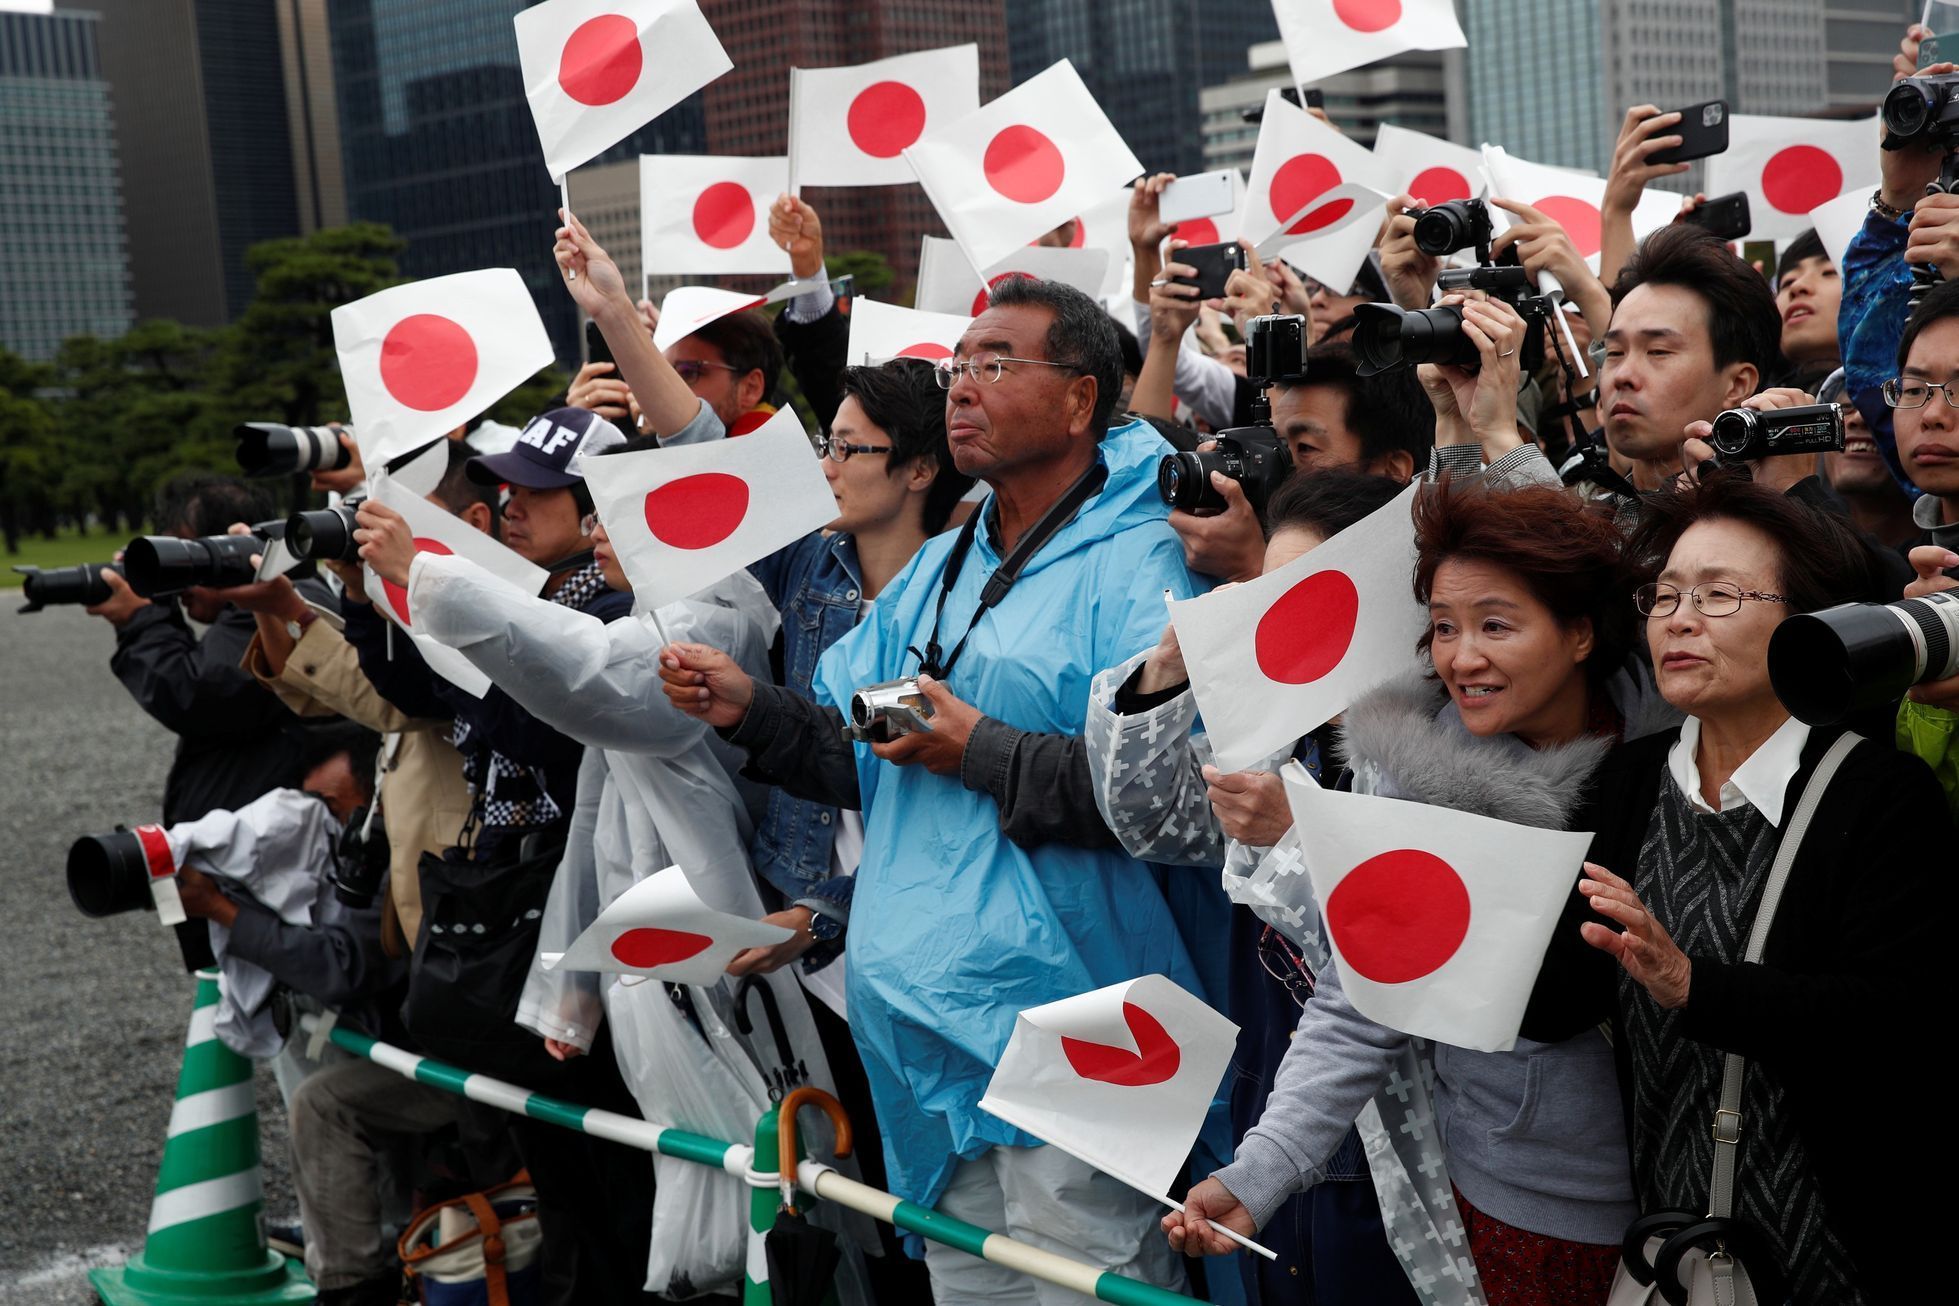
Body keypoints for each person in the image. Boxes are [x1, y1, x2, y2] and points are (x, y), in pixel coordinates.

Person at [659, 274, 1200, 1303]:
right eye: (958, 367)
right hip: (926, 1023)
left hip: (1087, 1008)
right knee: (969, 1283)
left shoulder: (1149, 555)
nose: (961, 387)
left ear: (1082, 401)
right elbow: (875, 738)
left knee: (1098, 1279)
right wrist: (751, 710)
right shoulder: (948, 562)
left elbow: (1168, 795)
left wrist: (981, 749)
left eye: (996, 363)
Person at [1165, 482, 1681, 1306]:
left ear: (1580, 633)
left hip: (1706, 1174)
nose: (1461, 657)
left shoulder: (1686, 741)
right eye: (1443, 626)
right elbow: (1361, 995)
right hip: (1537, 1195)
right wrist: (1258, 1173)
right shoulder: (1420, 787)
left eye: (1496, 625)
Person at [1578, 471, 1948, 1305]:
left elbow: (1896, 1020)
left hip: (1835, 1248)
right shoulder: (1629, 781)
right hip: (1668, 1247)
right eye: (1665, 594)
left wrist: (1691, 985)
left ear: (1803, 623)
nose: (1676, 618)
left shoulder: (1878, 795)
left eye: (1717, 596)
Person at [1084, 469, 1417, 1305]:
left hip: (1390, 1131)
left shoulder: (1432, 749)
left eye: (1308, 591)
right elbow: (1147, 820)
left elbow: (1404, 947)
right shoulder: (1278, 737)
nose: (1283, 616)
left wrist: (1295, 839)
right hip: (1274, 1115)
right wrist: (1169, 666)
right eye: (1268, 593)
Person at [174, 720, 459, 1306]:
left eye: (332, 802)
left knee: (324, 1103)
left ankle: (353, 1285)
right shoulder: (359, 831)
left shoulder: (398, 844)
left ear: (380, 783)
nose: (325, 817)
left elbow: (343, 968)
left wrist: (223, 911)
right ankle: (389, 1246)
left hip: (465, 1055)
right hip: (438, 1040)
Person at [740, 359, 973, 986]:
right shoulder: (810, 564)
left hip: (914, 931)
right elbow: (699, 445)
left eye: (847, 448)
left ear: (921, 469)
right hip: (799, 901)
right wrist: (613, 310)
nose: (825, 467)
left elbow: (864, 758)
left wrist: (827, 914)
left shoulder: (964, 616)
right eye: (826, 444)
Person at [229, 440, 491, 951]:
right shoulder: (415, 595)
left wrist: (300, 611)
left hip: (472, 893)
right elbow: (371, 691)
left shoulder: (486, 608)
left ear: (478, 521)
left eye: (405, 518)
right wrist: (290, 604)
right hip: (425, 877)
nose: (382, 533)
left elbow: (397, 703)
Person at [85, 473, 338, 827]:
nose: (172, 572)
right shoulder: (275, 593)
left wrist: (144, 618)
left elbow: (199, 693)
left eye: (183, 551)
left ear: (226, 547)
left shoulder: (282, 602)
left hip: (267, 851)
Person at [1775, 229, 1841, 374]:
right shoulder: (1736, 394)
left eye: (1829, 272)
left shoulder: (1893, 394)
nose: (1797, 286)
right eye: (1788, 281)